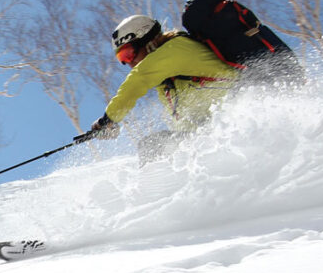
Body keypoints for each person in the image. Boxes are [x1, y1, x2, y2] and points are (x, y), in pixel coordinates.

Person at [80, 14, 240, 162]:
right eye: (123, 59)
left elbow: (138, 78)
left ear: (146, 40)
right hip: (213, 131)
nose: (129, 63)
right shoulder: (167, 84)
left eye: (128, 54)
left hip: (237, 115)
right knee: (157, 145)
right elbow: (184, 127)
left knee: (152, 145)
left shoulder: (176, 49)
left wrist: (108, 120)